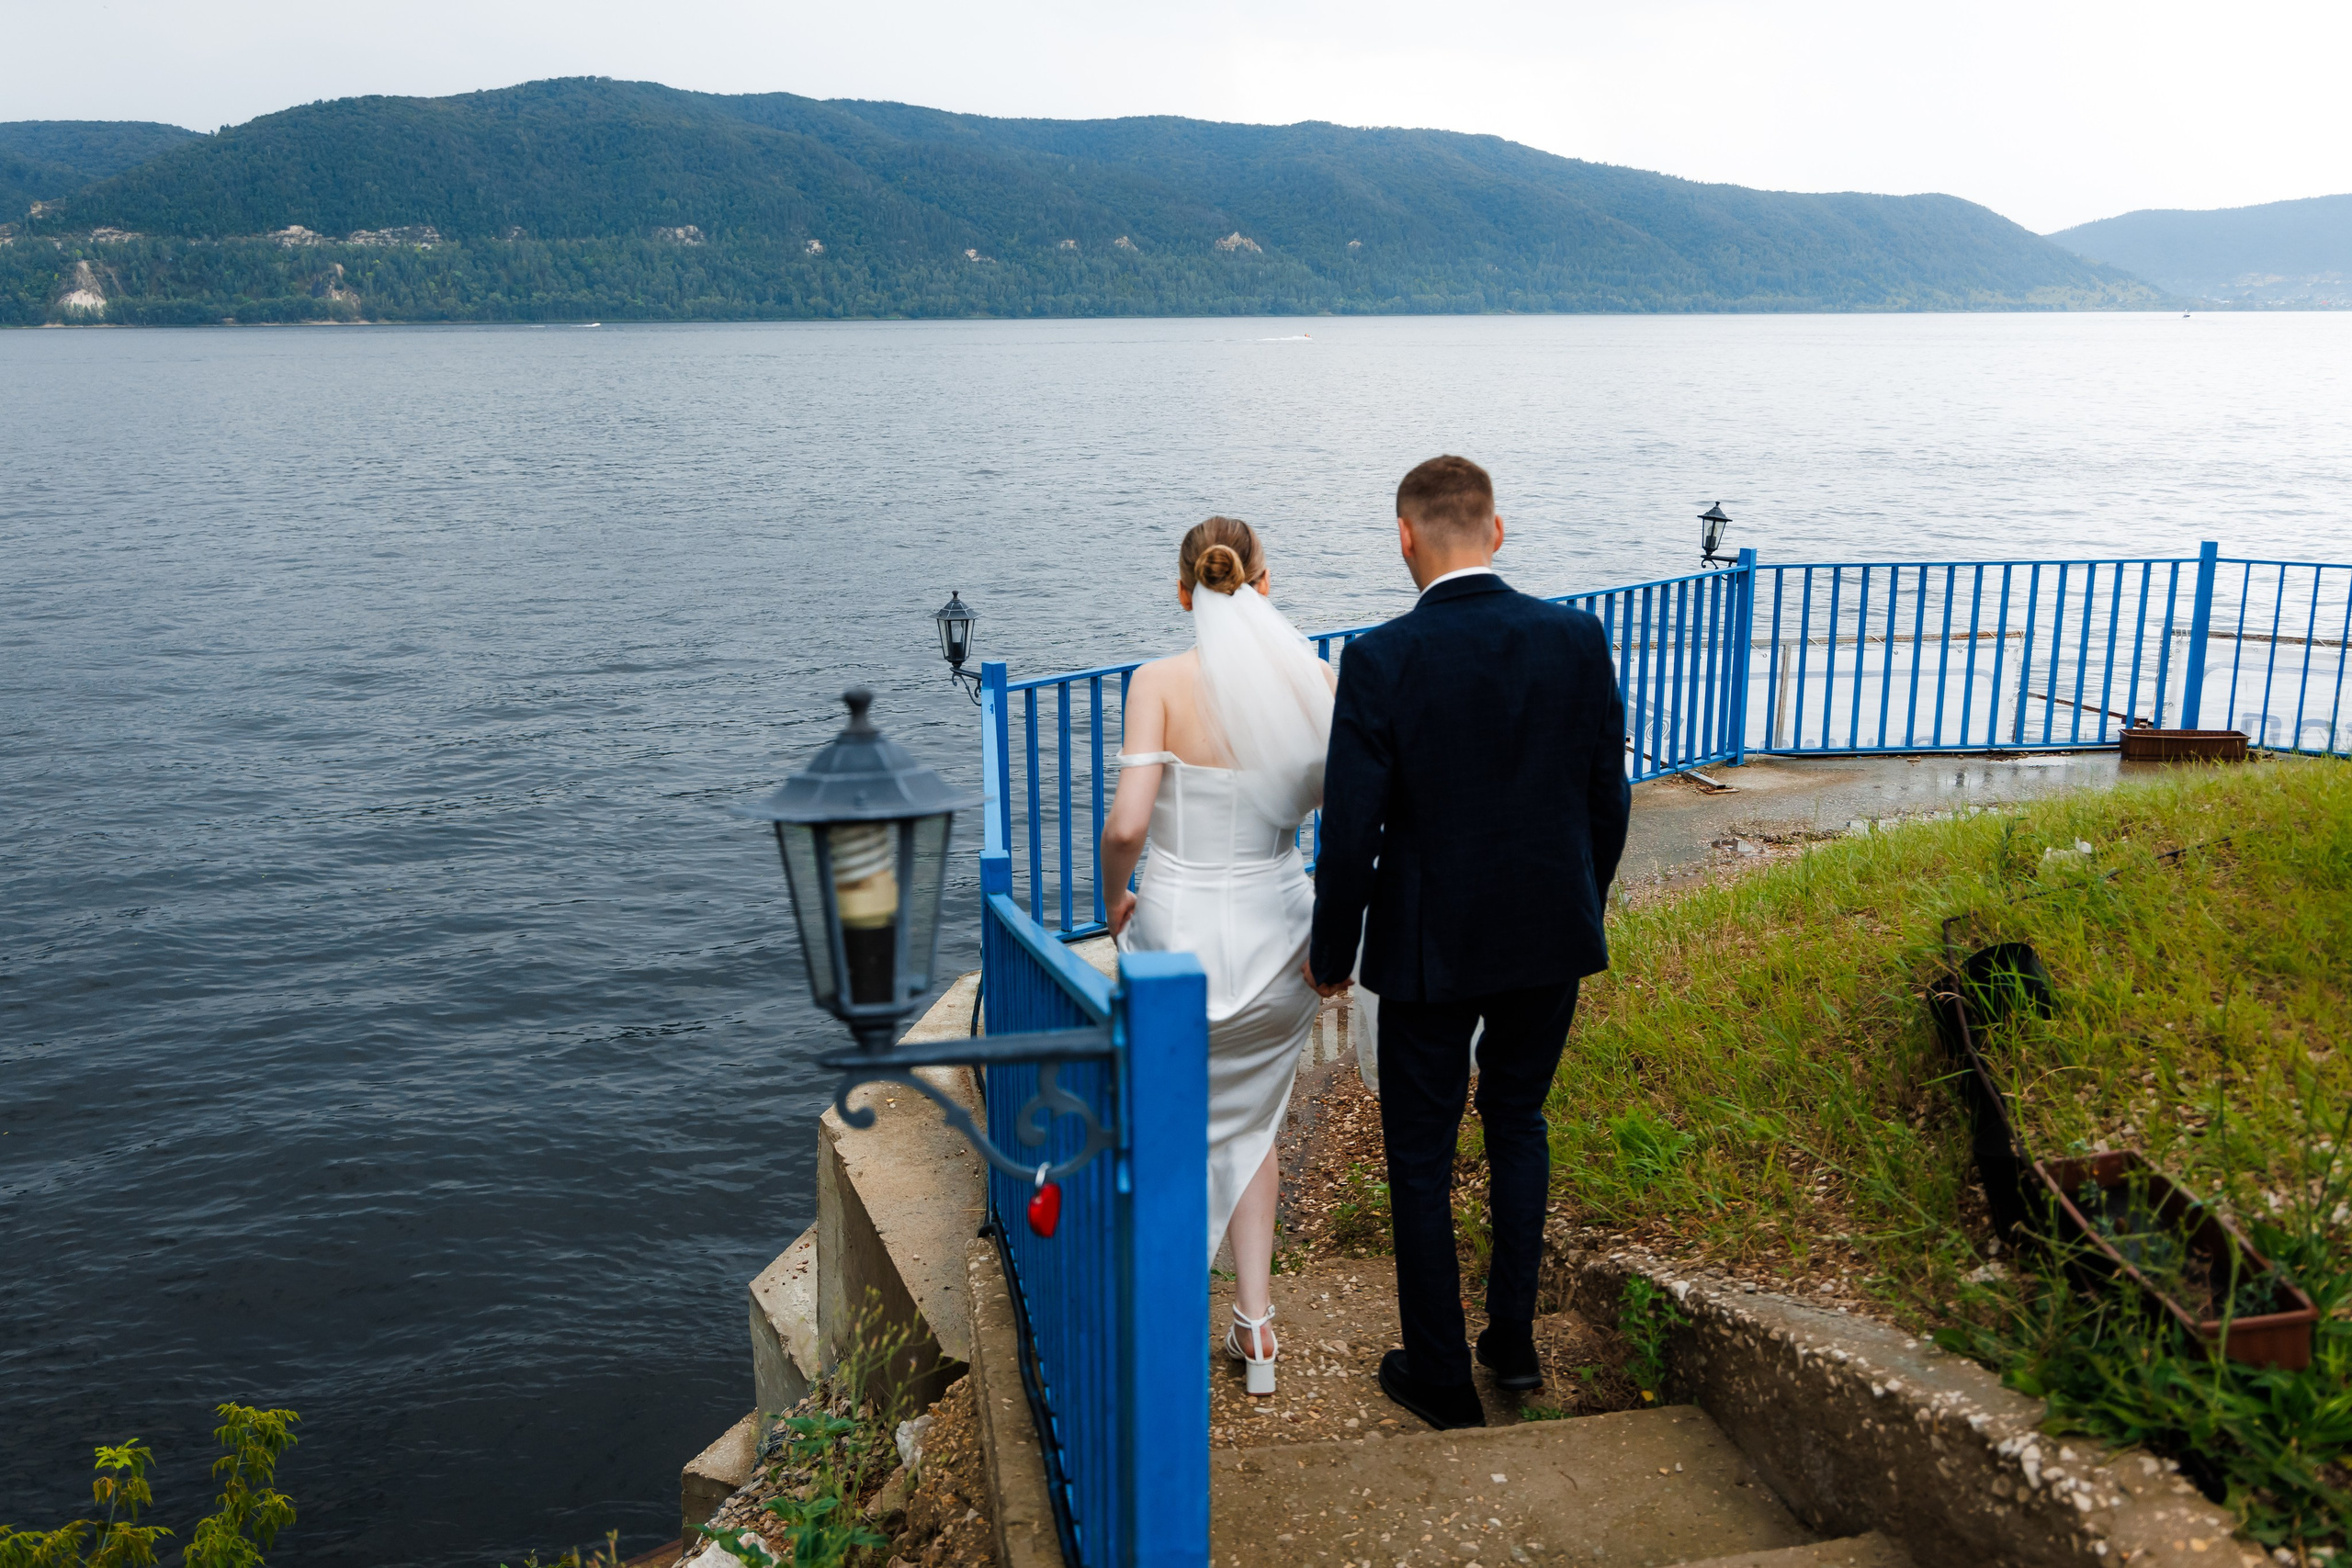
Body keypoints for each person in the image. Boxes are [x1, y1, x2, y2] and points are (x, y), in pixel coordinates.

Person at [1306, 455, 1630, 1431]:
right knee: (1519, 1120)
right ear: (1497, 530)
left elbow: (1350, 831)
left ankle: (1442, 1376)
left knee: (1421, 1154)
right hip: (1550, 932)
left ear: (1404, 537)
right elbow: (1605, 797)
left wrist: (1333, 953)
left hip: (1427, 949)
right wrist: (1581, 903)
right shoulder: (1577, 638)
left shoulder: (1380, 659)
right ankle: (1513, 1342)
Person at [1100, 516, 1337, 1397]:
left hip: (1177, 942)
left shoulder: (1158, 683)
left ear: (1183, 591)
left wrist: (1111, 897)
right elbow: (1359, 816)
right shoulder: (1317, 681)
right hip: (1283, 940)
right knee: (1251, 1123)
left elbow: (1128, 825)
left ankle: (1157, 1323)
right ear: (1264, 585)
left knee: (1171, 1126)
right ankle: (1256, 1325)